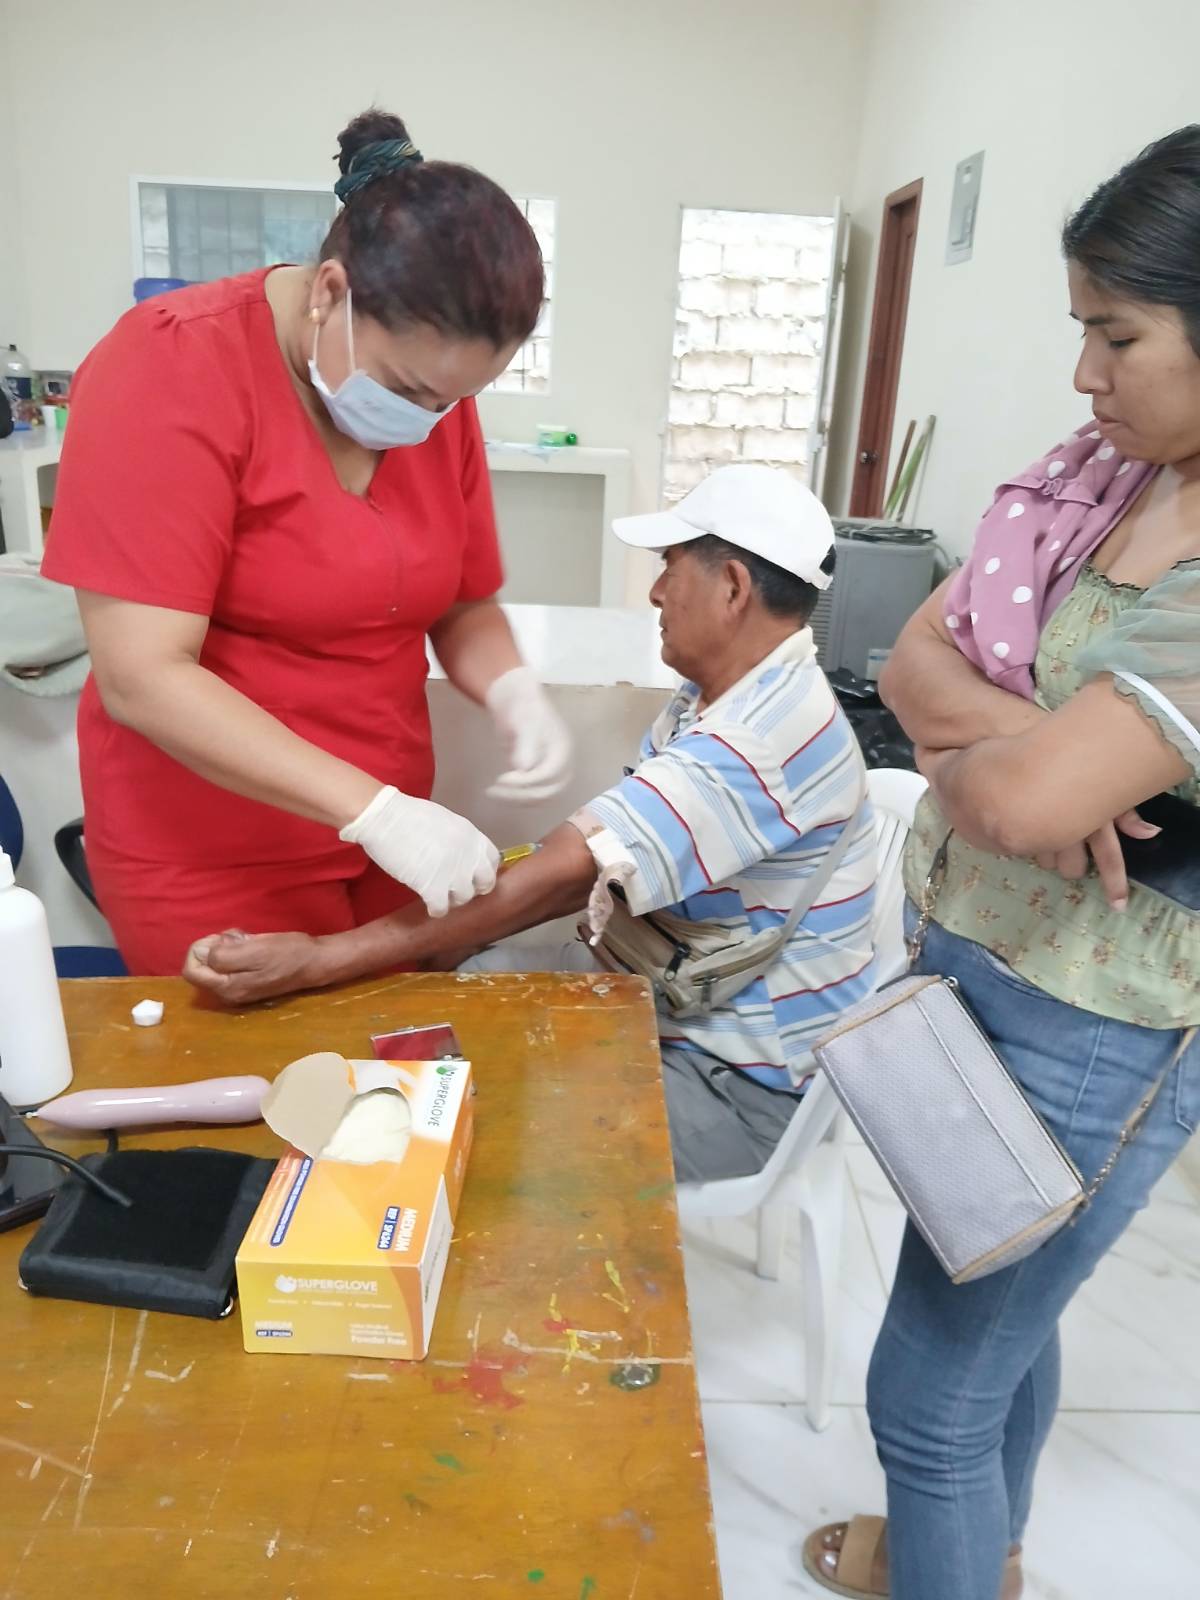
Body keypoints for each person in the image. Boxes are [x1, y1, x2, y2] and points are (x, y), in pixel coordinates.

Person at [803, 125, 1200, 1600]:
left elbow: (1025, 802)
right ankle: (990, 1551)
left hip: (1095, 1024)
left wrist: (988, 764)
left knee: (928, 1399)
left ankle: (953, 1554)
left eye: (1120, 335)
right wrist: (1019, 753)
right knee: (997, 1331)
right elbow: (908, 652)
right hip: (974, 965)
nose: (1086, 375)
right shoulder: (1104, 476)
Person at [185, 465, 878, 1182]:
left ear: (732, 587)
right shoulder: (724, 693)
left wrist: (316, 960)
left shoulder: (755, 738)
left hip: (737, 1082)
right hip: (674, 999)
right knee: (457, 989)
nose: (655, 593)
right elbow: (592, 852)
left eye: (670, 567)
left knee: (467, 1123)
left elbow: (566, 874)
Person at [41, 108, 571, 976]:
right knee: (266, 1058)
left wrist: (511, 688)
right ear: (328, 292)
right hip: (210, 846)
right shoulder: (170, 367)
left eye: (454, 400)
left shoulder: (431, 396)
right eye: (411, 389)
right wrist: (375, 812)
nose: (430, 419)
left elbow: (462, 600)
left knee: (396, 1052)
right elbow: (144, 675)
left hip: (389, 837)